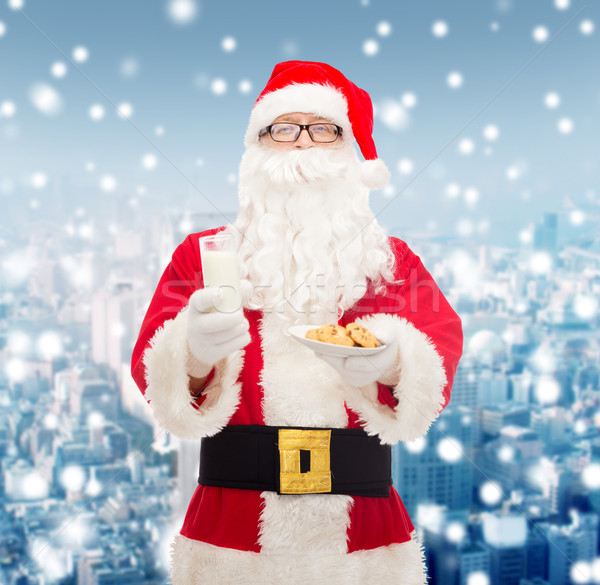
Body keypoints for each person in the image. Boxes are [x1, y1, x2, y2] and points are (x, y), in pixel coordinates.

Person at [131, 60, 463, 585]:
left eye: (324, 129)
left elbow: (436, 359)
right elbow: (156, 378)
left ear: (348, 151)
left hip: (362, 537)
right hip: (231, 533)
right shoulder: (201, 256)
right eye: (283, 130)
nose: (304, 144)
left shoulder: (392, 263)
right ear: (256, 149)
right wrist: (193, 353)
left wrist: (390, 360)